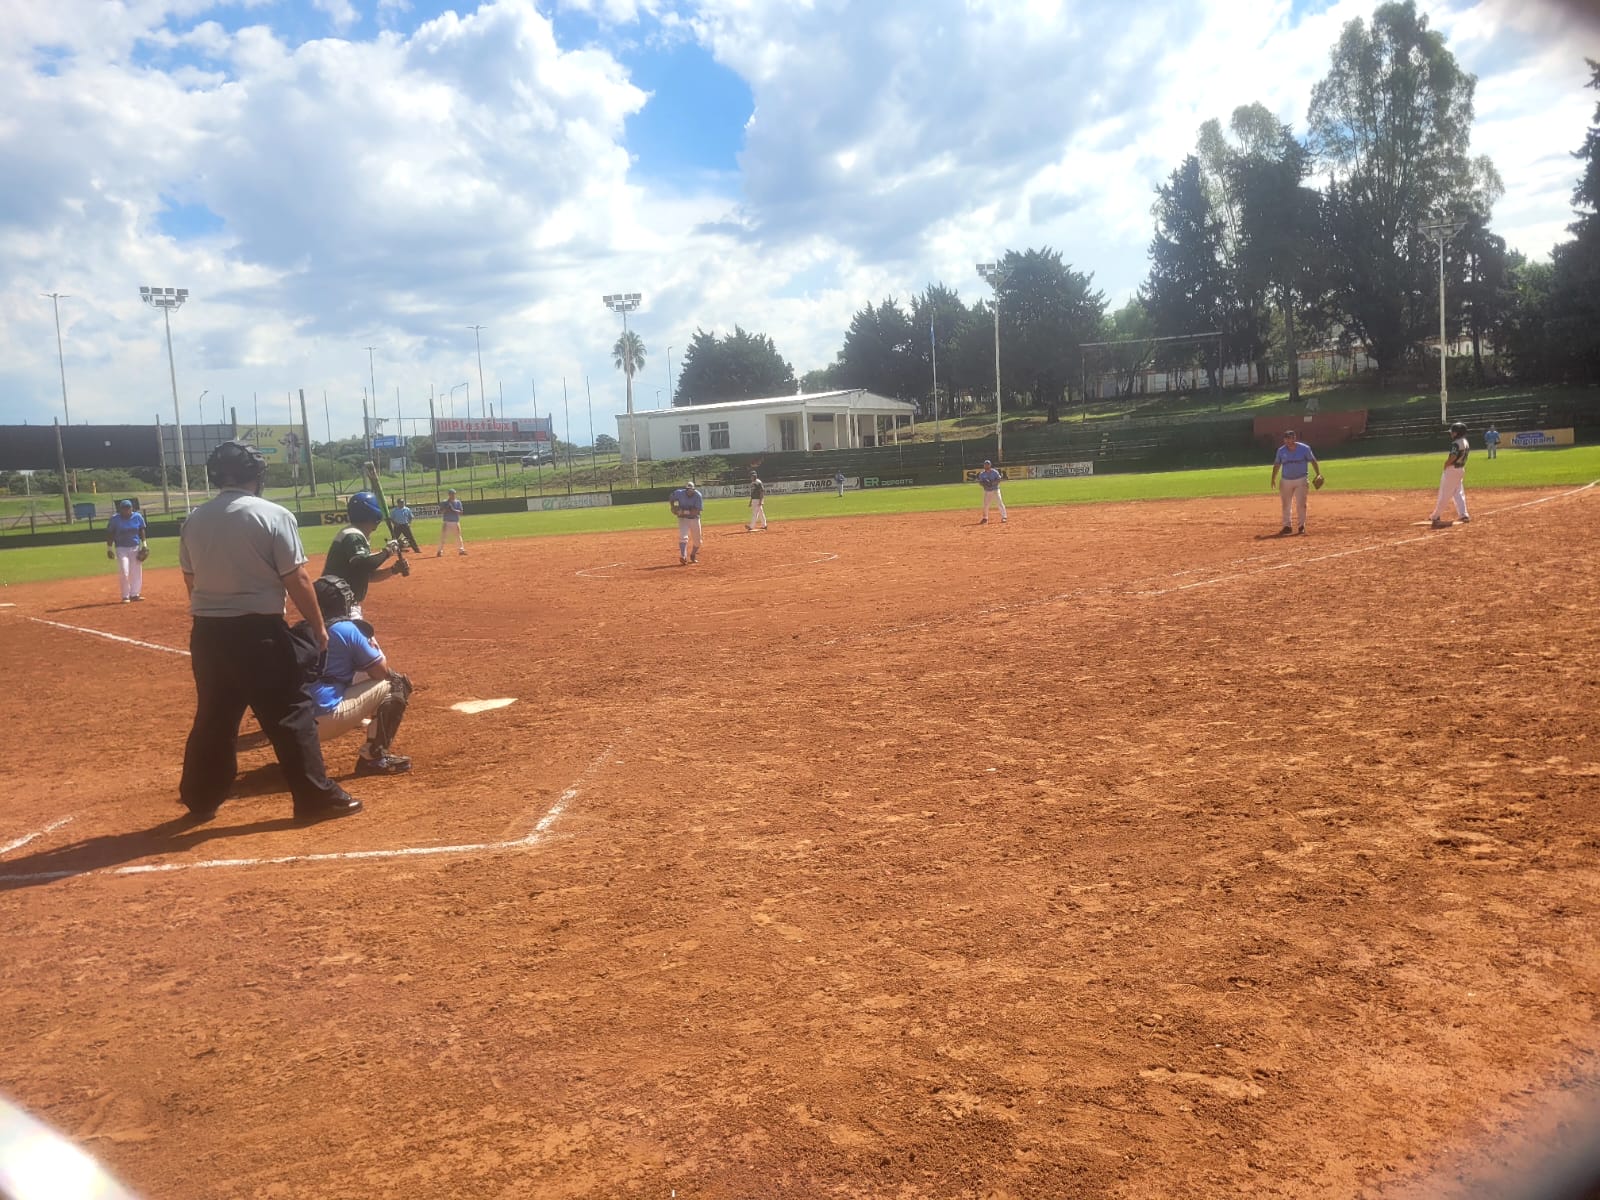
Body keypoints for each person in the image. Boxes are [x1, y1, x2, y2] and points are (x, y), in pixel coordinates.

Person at [177, 441, 361, 824]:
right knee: (290, 711)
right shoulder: (273, 514)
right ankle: (315, 797)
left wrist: (214, 612)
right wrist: (317, 625)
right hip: (257, 632)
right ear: (256, 477)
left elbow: (191, 579)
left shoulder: (194, 519)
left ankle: (201, 798)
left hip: (208, 634)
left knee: (215, 715)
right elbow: (297, 577)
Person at [306, 575, 413, 776]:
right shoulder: (347, 629)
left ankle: (298, 755)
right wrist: (365, 637)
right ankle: (374, 757)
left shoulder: (301, 628)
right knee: (396, 683)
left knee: (322, 679)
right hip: (324, 720)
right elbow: (380, 671)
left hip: (291, 723)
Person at [323, 491, 400, 619]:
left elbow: (367, 575)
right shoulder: (353, 536)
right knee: (361, 639)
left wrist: (393, 570)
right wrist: (388, 551)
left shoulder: (355, 534)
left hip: (340, 603)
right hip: (338, 605)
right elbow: (364, 564)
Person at [1270, 430, 1322, 536]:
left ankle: (1301, 526)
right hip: (1286, 480)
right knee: (1286, 504)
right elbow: (1277, 464)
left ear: (1295, 438)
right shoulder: (1281, 451)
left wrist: (1318, 474)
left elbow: (1313, 460)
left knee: (1301, 504)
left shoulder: (1304, 448)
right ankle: (1287, 526)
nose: (1289, 440)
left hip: (1301, 479)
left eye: (1291, 438)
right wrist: (1273, 478)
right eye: (1287, 438)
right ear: (1284, 440)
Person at [105, 498, 149, 603]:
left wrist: (144, 544)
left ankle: (135, 594)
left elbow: (141, 530)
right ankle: (125, 595)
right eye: (124, 508)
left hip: (135, 547)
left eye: (128, 508)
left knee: (136, 571)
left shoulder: (137, 516)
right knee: (124, 571)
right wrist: (109, 548)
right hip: (121, 548)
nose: (126, 510)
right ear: (120, 509)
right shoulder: (115, 519)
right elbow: (110, 534)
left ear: (131, 508)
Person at [1430, 421, 1472, 528]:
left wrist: (1446, 464)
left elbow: (1453, 457)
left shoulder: (1456, 443)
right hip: (1460, 469)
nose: (1451, 434)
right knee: (1459, 493)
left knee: (1444, 493)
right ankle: (1464, 514)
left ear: (1457, 433)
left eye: (1453, 432)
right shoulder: (1465, 441)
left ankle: (1436, 516)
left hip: (1452, 470)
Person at [669, 479, 704, 565]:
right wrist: (672, 507)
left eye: (692, 490)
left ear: (694, 490)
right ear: (686, 489)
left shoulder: (698, 496)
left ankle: (692, 555)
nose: (690, 492)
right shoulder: (679, 493)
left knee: (698, 541)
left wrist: (683, 511)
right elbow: (671, 497)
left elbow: (696, 511)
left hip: (694, 518)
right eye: (688, 490)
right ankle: (683, 556)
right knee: (683, 536)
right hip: (683, 519)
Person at [437, 488, 467, 556]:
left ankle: (461, 550)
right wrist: (447, 509)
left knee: (458, 536)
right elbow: (441, 511)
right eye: (451, 494)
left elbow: (461, 512)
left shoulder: (458, 502)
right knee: (443, 537)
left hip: (455, 522)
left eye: (453, 494)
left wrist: (453, 510)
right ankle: (439, 551)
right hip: (446, 522)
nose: (453, 495)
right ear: (449, 495)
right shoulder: (444, 502)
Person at [976, 460, 1007, 524]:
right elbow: (980, 482)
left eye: (988, 464)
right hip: (987, 491)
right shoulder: (982, 474)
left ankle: (1004, 517)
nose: (986, 465)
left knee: (1000, 503)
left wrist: (992, 483)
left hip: (995, 490)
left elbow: (999, 479)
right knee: (985, 505)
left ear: (990, 465)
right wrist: (985, 484)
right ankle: (985, 518)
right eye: (985, 464)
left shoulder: (994, 472)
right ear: (984, 465)